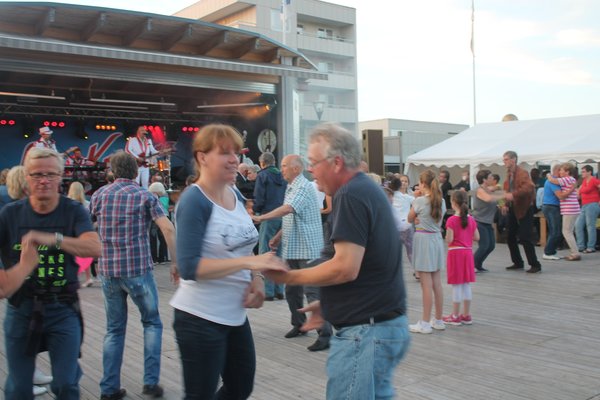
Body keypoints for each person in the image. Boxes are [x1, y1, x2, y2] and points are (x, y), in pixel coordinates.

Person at [266, 123, 410, 399]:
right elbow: (369, 265)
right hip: (381, 326)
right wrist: (330, 304)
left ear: (336, 163)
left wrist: (289, 277)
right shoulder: (365, 189)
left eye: (313, 163)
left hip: (365, 333)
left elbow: (346, 267)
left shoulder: (350, 194)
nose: (310, 170)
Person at [171, 124, 287, 399]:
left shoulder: (234, 194)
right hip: (199, 318)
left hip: (234, 315)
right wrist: (249, 265)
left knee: (240, 387)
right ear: (202, 157)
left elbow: (243, 247)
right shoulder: (194, 201)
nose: (235, 159)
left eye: (236, 152)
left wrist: (257, 278)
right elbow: (189, 268)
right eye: (225, 152)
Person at [0, 148, 101, 400]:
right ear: (26, 177)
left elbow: (94, 247)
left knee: (66, 385)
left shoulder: (72, 211)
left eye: (50, 174)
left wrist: (52, 239)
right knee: (18, 389)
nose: (43, 180)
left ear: (60, 177)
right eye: (36, 175)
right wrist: (25, 265)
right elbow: (4, 289)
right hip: (21, 308)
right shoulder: (10, 215)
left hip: (62, 308)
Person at [90, 150, 177, 400]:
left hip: (109, 271)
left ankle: (109, 388)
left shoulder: (99, 195)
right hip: (138, 270)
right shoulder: (144, 195)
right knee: (151, 323)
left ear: (113, 171)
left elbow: (88, 227)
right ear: (136, 171)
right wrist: (175, 262)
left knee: (114, 330)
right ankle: (150, 383)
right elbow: (167, 228)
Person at [252, 155, 329, 352]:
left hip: (307, 247)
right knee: (292, 290)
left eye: (285, 166)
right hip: (294, 246)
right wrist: (278, 236)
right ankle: (299, 324)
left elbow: (288, 209)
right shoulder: (291, 186)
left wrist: (261, 218)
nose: (282, 169)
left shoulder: (302, 186)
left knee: (312, 290)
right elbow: (292, 216)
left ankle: (325, 333)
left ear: (296, 168)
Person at [408, 169, 446, 334]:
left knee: (426, 284)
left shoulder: (419, 201)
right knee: (437, 282)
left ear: (423, 184)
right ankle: (438, 319)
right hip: (436, 239)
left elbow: (409, 218)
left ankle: (424, 322)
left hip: (423, 239)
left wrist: (415, 199)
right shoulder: (441, 201)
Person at [252, 151, 287, 300]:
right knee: (278, 252)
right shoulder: (283, 176)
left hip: (268, 215)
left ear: (262, 163)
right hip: (282, 216)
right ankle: (280, 289)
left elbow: (259, 197)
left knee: (265, 252)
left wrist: (256, 211)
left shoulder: (262, 175)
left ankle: (268, 291)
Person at [502, 151, 542, 273]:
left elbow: (529, 187)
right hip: (514, 207)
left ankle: (535, 264)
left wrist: (513, 195)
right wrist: (505, 204)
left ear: (513, 159)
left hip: (525, 208)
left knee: (525, 236)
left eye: (506, 159)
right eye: (504, 160)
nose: (504, 162)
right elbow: (507, 189)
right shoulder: (509, 174)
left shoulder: (522, 173)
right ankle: (518, 262)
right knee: (510, 236)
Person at [443, 191, 479, 325]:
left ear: (453, 203)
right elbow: (477, 237)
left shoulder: (451, 220)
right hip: (468, 253)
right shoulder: (471, 219)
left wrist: (446, 236)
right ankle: (466, 314)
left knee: (456, 285)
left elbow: (449, 239)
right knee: (465, 284)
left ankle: (455, 315)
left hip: (455, 253)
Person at [546, 163, 580, 261]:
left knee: (566, 232)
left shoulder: (566, 179)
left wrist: (548, 175)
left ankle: (575, 253)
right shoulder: (572, 180)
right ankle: (575, 251)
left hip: (569, 209)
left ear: (567, 172)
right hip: (573, 208)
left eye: (562, 170)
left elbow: (553, 180)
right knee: (569, 231)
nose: (560, 172)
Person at [472, 169, 503, 272]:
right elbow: (488, 199)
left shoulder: (488, 189)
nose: (492, 178)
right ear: (484, 180)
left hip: (488, 222)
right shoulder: (479, 190)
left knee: (491, 246)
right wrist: (502, 194)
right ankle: (471, 265)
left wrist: (502, 204)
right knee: (484, 246)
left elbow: (495, 191)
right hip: (479, 221)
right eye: (490, 177)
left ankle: (478, 264)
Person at [67, 182, 94, 288]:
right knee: (84, 255)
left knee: (70, 256)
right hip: (84, 232)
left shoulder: (67, 203)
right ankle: (88, 278)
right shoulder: (86, 204)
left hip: (70, 232)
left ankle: (74, 278)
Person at [389, 176, 416, 278]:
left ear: (408, 184)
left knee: (409, 250)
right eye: (402, 181)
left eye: (406, 181)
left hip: (404, 226)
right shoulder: (394, 195)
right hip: (399, 226)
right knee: (408, 250)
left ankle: (416, 270)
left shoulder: (408, 196)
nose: (404, 183)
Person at [575, 165, 600, 253]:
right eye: (582, 171)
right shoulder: (584, 181)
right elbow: (578, 193)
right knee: (578, 225)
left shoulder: (594, 180)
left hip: (592, 204)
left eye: (584, 171)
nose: (582, 173)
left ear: (589, 172)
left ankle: (591, 246)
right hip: (584, 205)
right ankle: (580, 246)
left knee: (590, 226)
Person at [541, 165, 563, 260]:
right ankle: (548, 252)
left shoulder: (553, 180)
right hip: (551, 206)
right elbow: (560, 195)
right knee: (555, 231)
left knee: (555, 230)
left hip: (550, 206)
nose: (562, 173)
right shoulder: (552, 181)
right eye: (561, 171)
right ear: (557, 171)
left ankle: (551, 251)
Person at [148, 182, 170, 265]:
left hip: (154, 218)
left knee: (153, 238)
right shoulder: (165, 195)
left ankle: (155, 259)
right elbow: (165, 206)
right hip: (163, 217)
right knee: (162, 238)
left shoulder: (150, 196)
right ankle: (162, 258)